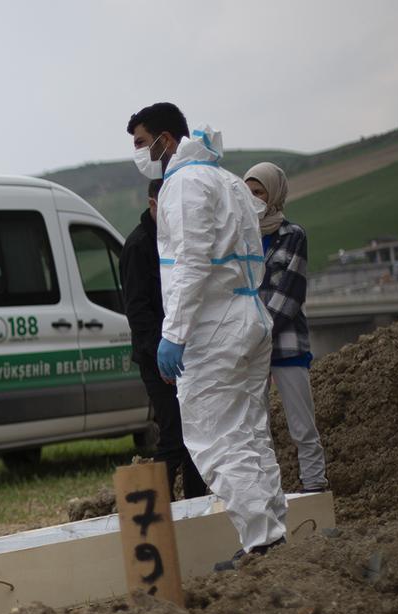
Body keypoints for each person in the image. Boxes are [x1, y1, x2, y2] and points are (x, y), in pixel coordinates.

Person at [124, 103, 288, 570]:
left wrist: (173, 334)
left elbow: (192, 262)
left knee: (216, 438)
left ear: (166, 140)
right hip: (249, 315)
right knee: (250, 433)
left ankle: (261, 541)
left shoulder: (183, 185)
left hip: (214, 325)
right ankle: (272, 530)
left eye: (141, 143)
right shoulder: (228, 180)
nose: (138, 154)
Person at [119, 177, 208, 501]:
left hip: (183, 354)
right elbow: (138, 311)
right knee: (172, 439)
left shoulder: (172, 240)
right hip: (157, 358)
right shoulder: (139, 245)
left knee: (194, 439)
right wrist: (161, 356)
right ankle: (155, 518)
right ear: (153, 204)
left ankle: (197, 509)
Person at [244, 162, 329, 493]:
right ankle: (267, 494)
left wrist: (260, 331)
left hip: (285, 343)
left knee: (301, 424)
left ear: (274, 193)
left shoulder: (293, 235)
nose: (253, 199)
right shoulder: (240, 238)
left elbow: (291, 292)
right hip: (251, 346)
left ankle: (314, 486)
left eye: (259, 192)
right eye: (247, 193)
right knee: (257, 428)